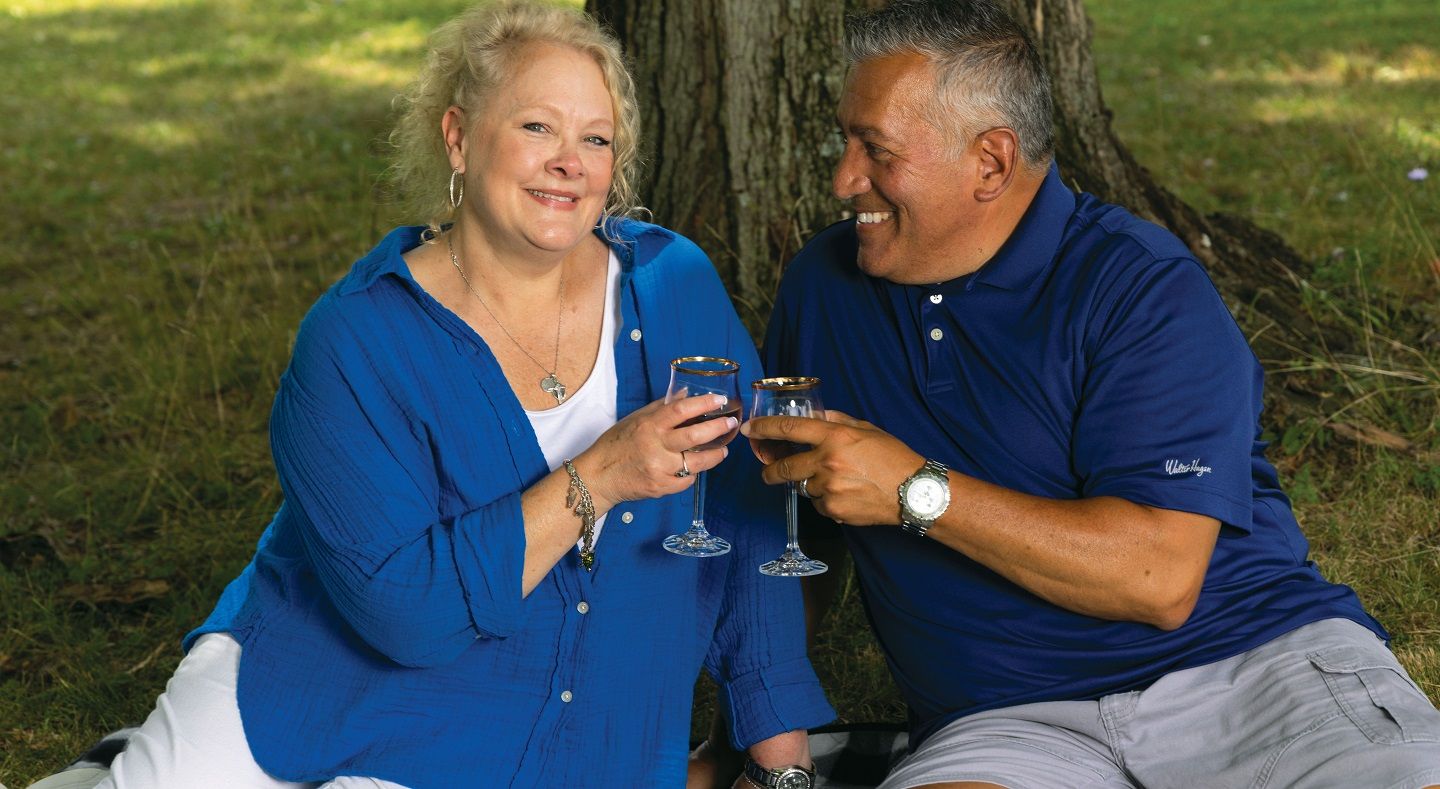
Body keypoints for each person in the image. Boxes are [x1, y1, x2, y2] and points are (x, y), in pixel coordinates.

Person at [94, 3, 832, 787]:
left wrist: (778, 762)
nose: (569, 162)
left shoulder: (671, 284)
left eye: (596, 138)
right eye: (537, 128)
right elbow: (407, 610)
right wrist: (602, 474)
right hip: (316, 683)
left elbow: (749, 520)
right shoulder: (356, 338)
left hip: (561, 726)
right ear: (457, 136)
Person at [744, 1, 1440, 787]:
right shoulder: (825, 287)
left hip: (1245, 671)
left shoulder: (1141, 287)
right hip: (1004, 721)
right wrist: (768, 741)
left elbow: (1159, 580)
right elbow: (801, 535)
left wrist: (912, 488)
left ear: (992, 162)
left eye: (876, 150)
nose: (844, 178)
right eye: (845, 140)